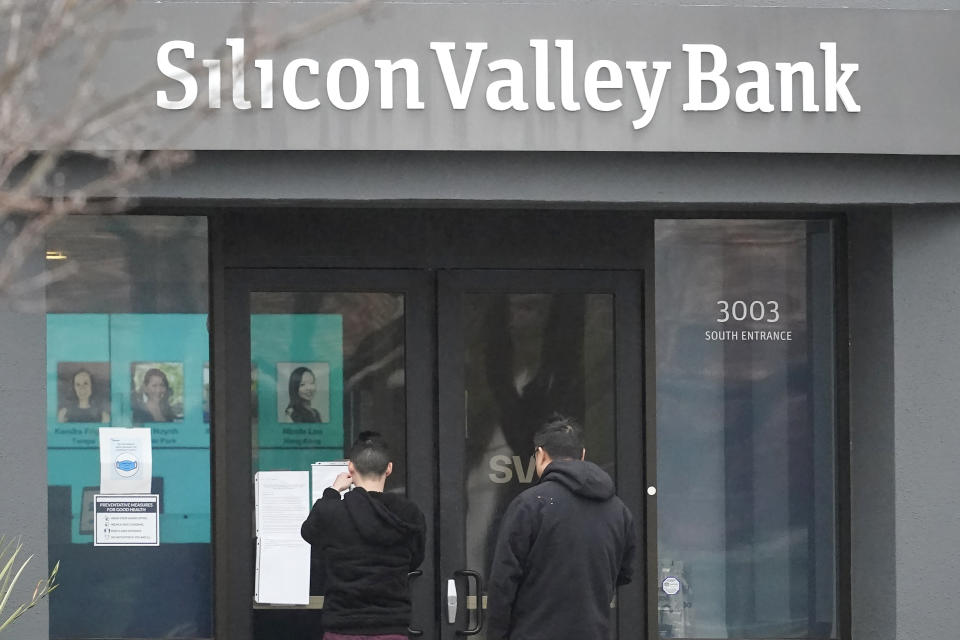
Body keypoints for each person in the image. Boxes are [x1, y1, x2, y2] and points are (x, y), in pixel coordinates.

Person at [486, 415, 637, 640]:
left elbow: (503, 582)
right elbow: (624, 573)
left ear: (540, 454)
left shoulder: (530, 504)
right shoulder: (619, 511)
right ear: (583, 455)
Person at [301, 431, 425, 640]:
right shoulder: (409, 513)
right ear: (389, 468)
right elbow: (415, 561)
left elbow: (308, 532)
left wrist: (332, 491)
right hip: (391, 626)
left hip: (342, 626)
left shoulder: (331, 512)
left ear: (350, 467)